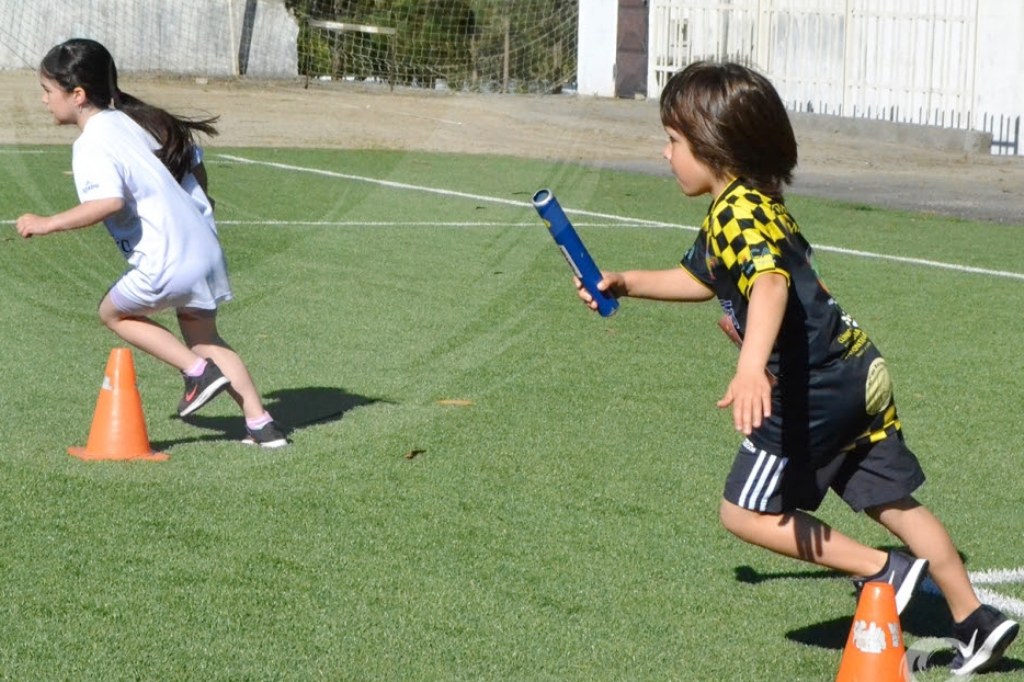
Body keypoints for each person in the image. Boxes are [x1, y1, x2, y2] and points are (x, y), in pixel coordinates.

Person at [574, 61, 1016, 675]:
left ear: (713, 144)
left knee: (744, 512)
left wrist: (752, 367)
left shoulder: (736, 212)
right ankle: (976, 621)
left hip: (811, 386)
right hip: (856, 370)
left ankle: (882, 569)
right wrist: (625, 282)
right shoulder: (755, 203)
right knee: (894, 502)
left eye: (673, 141)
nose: (664, 153)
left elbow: (772, 285)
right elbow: (701, 278)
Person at [14, 38, 287, 449]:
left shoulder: (90, 142)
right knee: (207, 337)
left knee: (113, 314)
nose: (43, 100)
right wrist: (204, 203)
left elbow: (109, 202)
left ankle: (197, 372)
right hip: (204, 247)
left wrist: (46, 222)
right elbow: (192, 158)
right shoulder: (127, 121)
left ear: (77, 94)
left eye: (48, 91)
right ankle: (261, 424)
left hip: (168, 259)